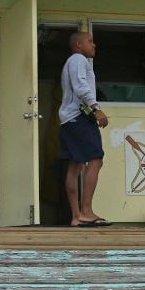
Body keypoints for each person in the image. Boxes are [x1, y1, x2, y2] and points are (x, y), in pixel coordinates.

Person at [59, 31, 111, 226]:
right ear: (78, 45)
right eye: (90, 41)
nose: (94, 44)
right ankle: (86, 211)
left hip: (68, 120)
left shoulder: (73, 62)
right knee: (96, 159)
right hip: (79, 117)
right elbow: (81, 86)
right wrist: (97, 109)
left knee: (74, 165)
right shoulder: (78, 59)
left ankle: (76, 217)